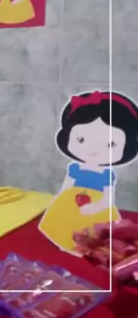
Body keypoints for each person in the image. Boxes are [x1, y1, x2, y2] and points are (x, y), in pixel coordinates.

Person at [39, 90, 138, 252]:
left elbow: (108, 198)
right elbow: (66, 187)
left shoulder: (107, 175)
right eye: (81, 139)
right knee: (64, 229)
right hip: (70, 203)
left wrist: (96, 207)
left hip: (97, 207)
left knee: (95, 236)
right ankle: (64, 243)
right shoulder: (75, 168)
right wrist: (56, 201)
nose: (93, 150)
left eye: (110, 144)